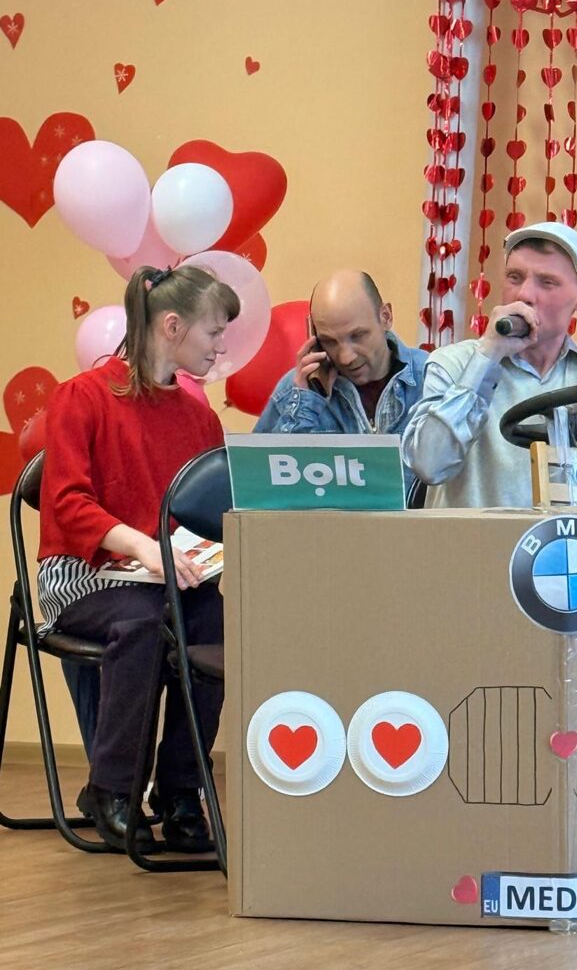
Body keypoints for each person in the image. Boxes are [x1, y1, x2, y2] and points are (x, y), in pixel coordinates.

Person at [37, 264, 240, 853]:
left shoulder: (200, 418)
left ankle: (180, 790)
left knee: (219, 622)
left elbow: (211, 515)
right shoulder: (81, 397)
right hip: (81, 573)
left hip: (164, 577)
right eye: (213, 332)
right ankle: (113, 788)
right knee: (146, 621)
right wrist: (144, 545)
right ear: (172, 326)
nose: (221, 347)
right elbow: (67, 503)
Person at [402, 221, 577, 509]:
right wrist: (488, 356)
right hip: (473, 538)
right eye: (514, 277)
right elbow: (428, 465)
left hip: (563, 538)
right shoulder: (452, 363)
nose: (524, 295)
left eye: (547, 282)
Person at [254, 269, 427, 494]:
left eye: (358, 336)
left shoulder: (431, 379)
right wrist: (306, 404)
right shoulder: (296, 390)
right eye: (329, 341)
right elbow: (258, 487)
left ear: (386, 317)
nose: (346, 357)